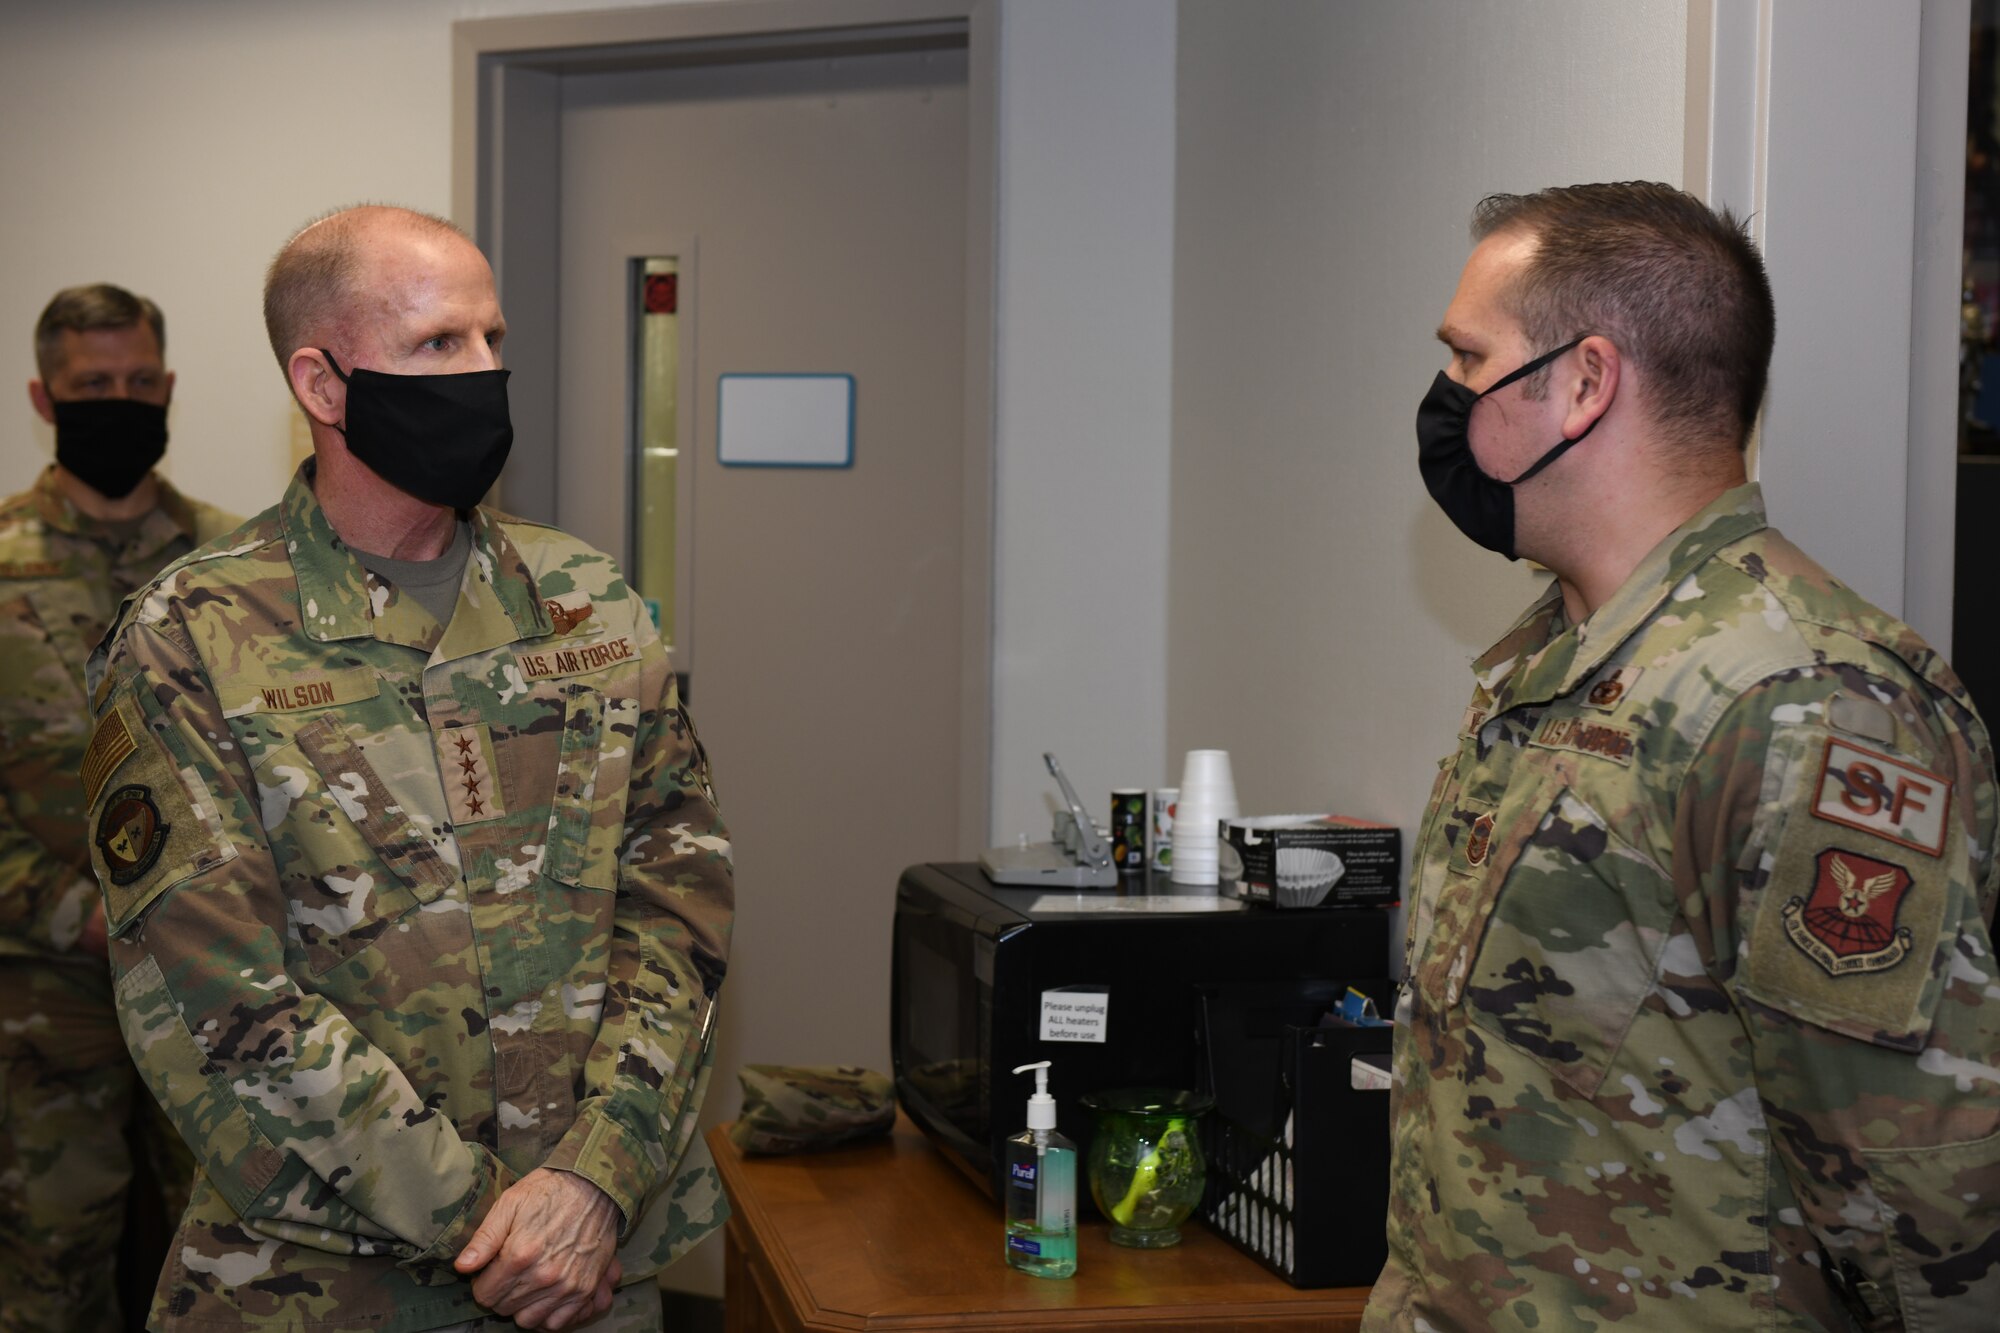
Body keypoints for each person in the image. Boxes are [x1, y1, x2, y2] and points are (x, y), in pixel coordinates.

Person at [83, 205, 734, 1333]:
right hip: (318, 1282)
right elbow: (218, 997)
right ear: (323, 385)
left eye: (492, 339)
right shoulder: (191, 635)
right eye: (439, 345)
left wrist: (590, 1182)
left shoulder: (587, 600)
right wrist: (493, 1227)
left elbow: (676, 903)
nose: (484, 373)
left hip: (590, 1269)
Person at [1370, 182, 2000, 1331]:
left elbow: (1919, 1201)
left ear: (1582, 382)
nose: (1443, 395)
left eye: (1467, 358)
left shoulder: (1797, 699)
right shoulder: (1559, 659)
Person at [0, 284, 236, 1332]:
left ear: (171, 386)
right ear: (45, 398)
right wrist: (75, 911)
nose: (121, 401)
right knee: (50, 1271)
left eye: (141, 382)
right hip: (49, 1000)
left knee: (233, 1261)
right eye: (94, 386)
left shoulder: (236, 568)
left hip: (218, 982)